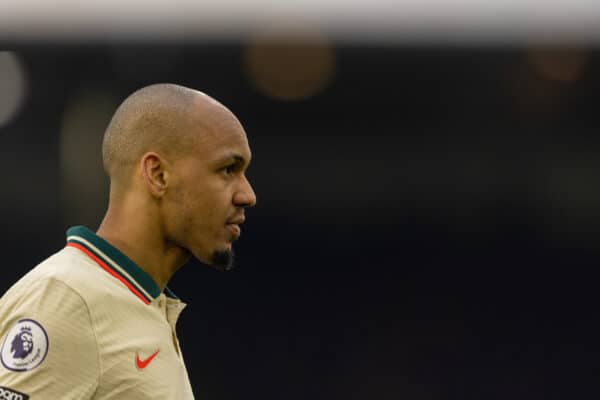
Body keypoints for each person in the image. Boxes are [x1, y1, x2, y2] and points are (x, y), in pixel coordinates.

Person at [0, 83, 257, 399]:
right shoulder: (69, 298)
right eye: (227, 169)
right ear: (158, 175)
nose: (248, 195)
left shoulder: (141, 306)